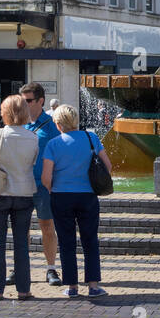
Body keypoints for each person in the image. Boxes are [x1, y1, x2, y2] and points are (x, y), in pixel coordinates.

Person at [40, 104, 111, 298]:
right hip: (87, 196)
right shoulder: (91, 138)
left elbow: (46, 178)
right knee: (90, 240)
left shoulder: (53, 144)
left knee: (66, 241)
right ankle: (94, 285)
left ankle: (72, 286)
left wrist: (52, 188)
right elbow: (108, 166)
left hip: (61, 196)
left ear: (58, 123)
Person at [0, 94, 38, 300]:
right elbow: (33, 163)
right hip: (24, 193)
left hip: (0, 191)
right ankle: (24, 289)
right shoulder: (33, 137)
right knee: (22, 243)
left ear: (4, 113)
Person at [21, 82, 64, 287]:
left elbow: (60, 156)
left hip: (43, 186)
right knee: (22, 229)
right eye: (22, 100)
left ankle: (51, 268)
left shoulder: (52, 126)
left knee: (47, 226)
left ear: (40, 101)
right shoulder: (17, 123)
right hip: (20, 185)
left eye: (28, 101)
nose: (24, 104)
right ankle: (20, 268)